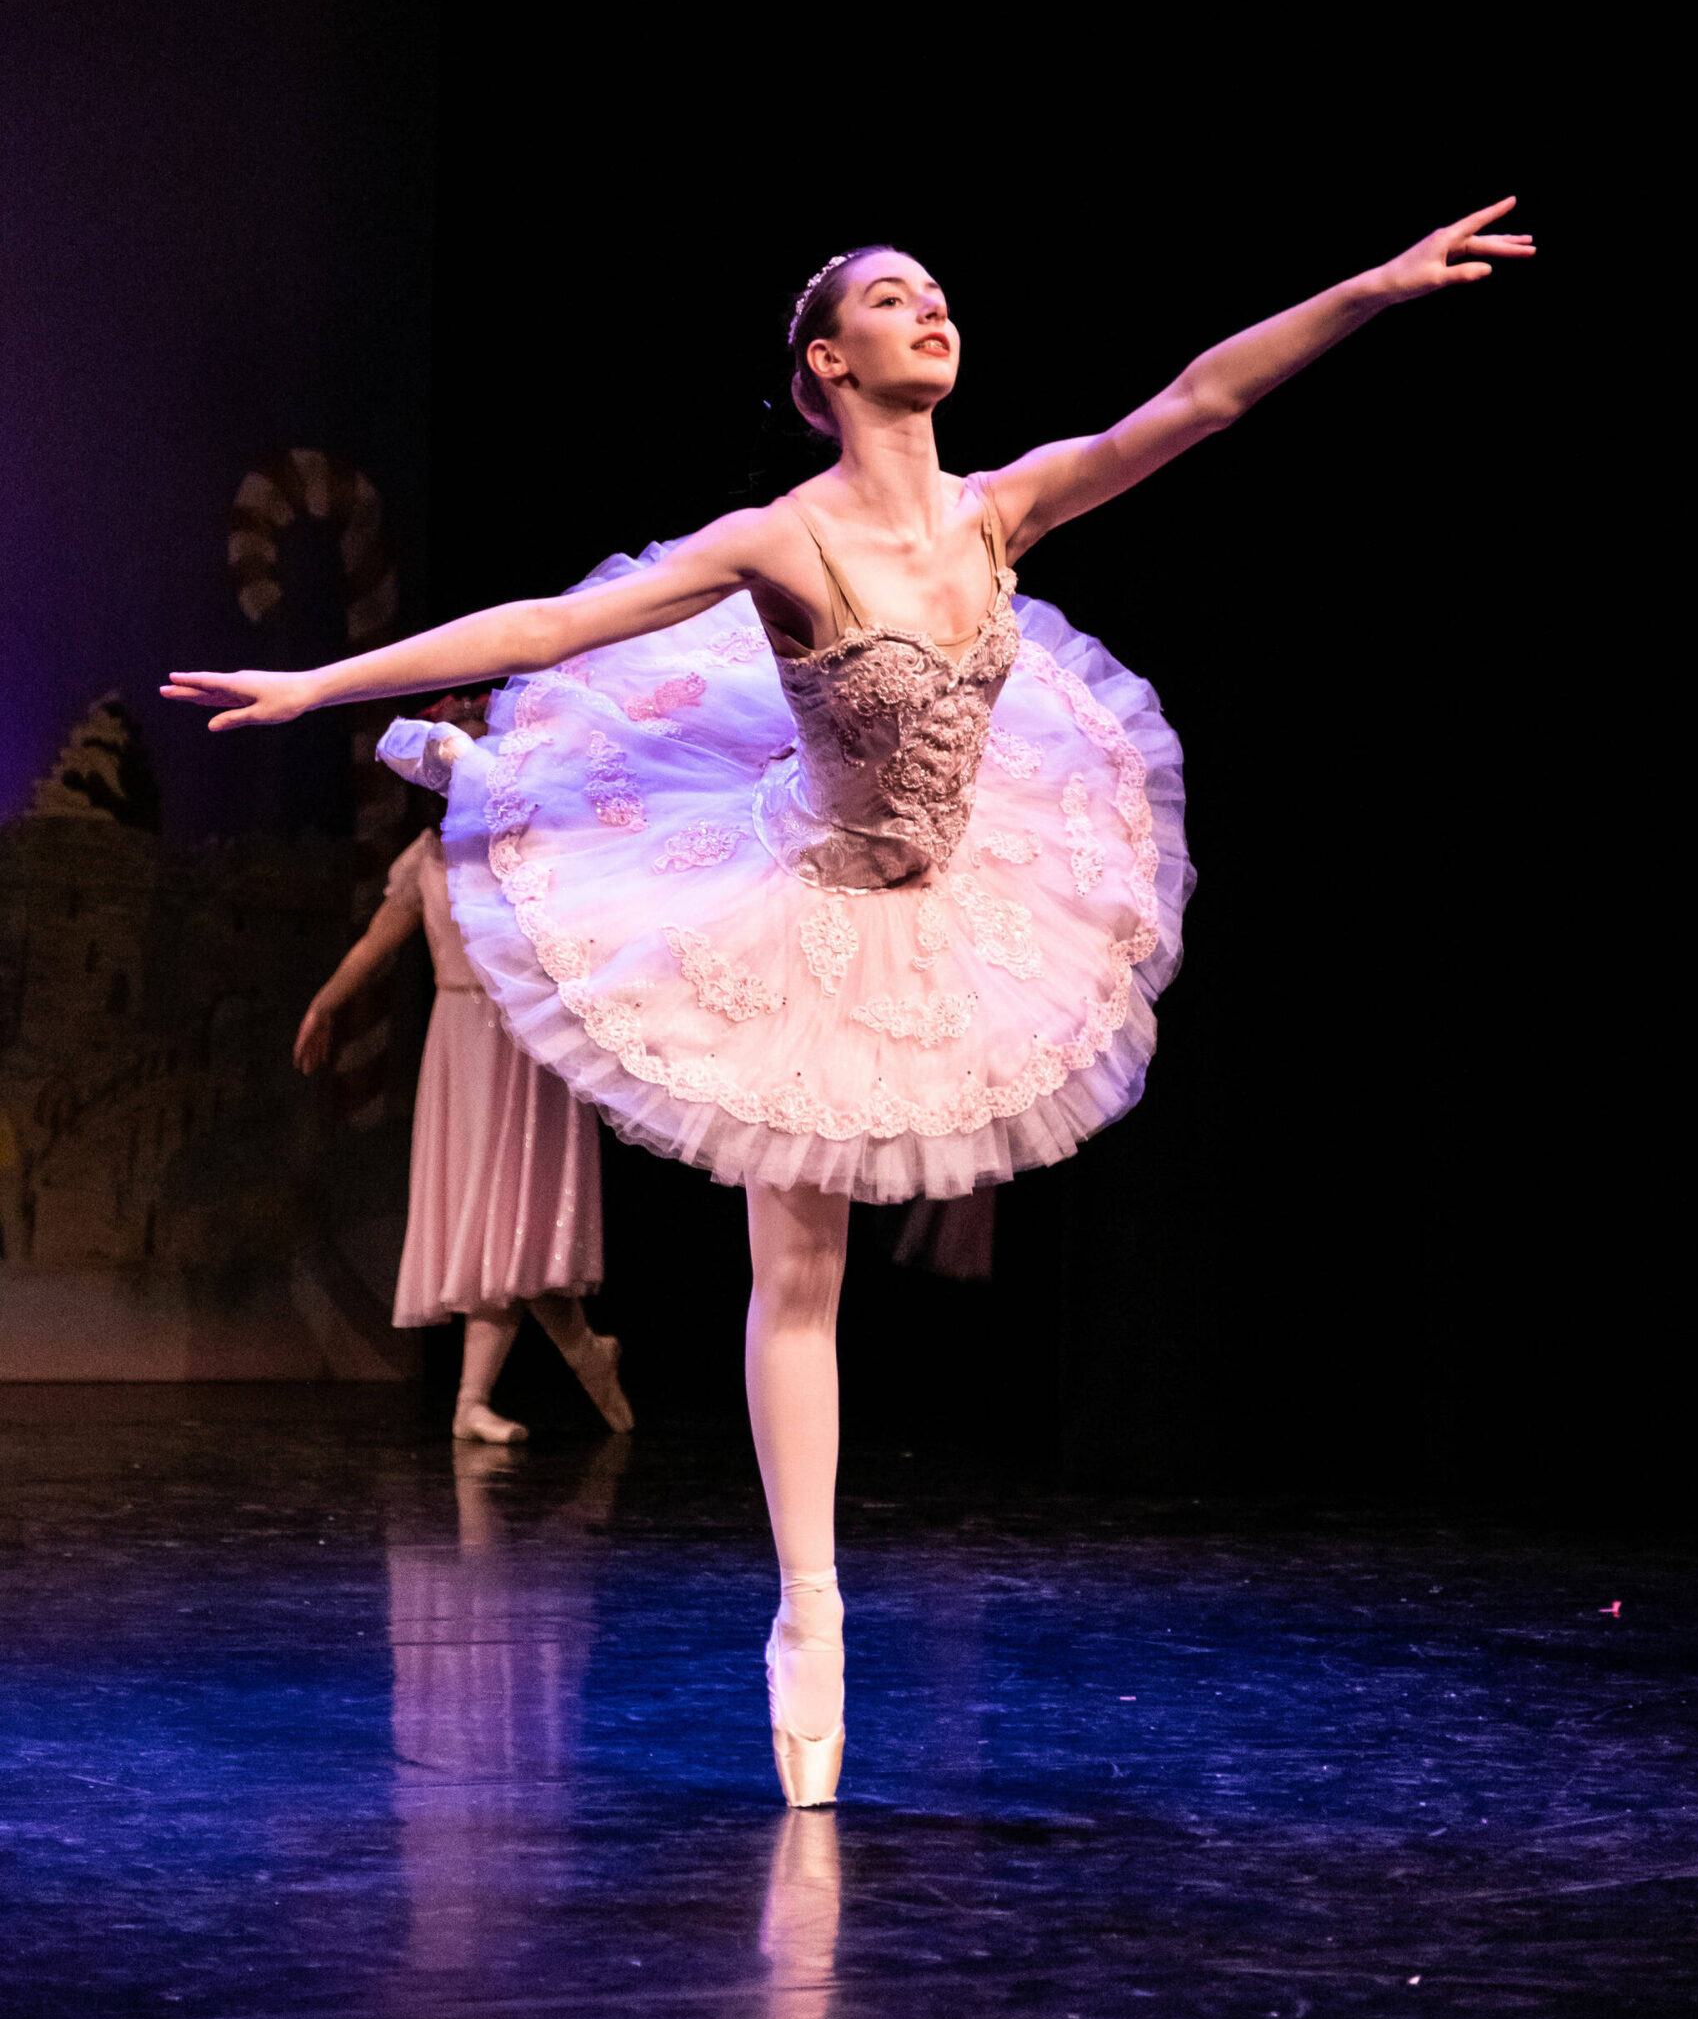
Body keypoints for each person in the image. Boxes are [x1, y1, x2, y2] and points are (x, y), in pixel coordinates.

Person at [167, 202, 1534, 1804]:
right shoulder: (782, 539)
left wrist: (1369, 286)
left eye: (939, 292)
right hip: (794, 894)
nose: (930, 309)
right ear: (828, 361)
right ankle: (806, 1611)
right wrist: (328, 683)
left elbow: (1195, 403)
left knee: (833, 1266)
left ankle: (486, 773)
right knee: (796, 1267)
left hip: (960, 879)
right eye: (893, 299)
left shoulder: (996, 511)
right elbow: (553, 624)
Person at [293, 694, 632, 1444]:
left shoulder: (532, 848)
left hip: (524, 1036)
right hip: (459, 1037)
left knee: (511, 1212)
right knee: (487, 1221)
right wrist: (325, 1002)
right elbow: (377, 943)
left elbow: (594, 936)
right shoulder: (425, 861)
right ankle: (547, 1371)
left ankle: (512, 1386)